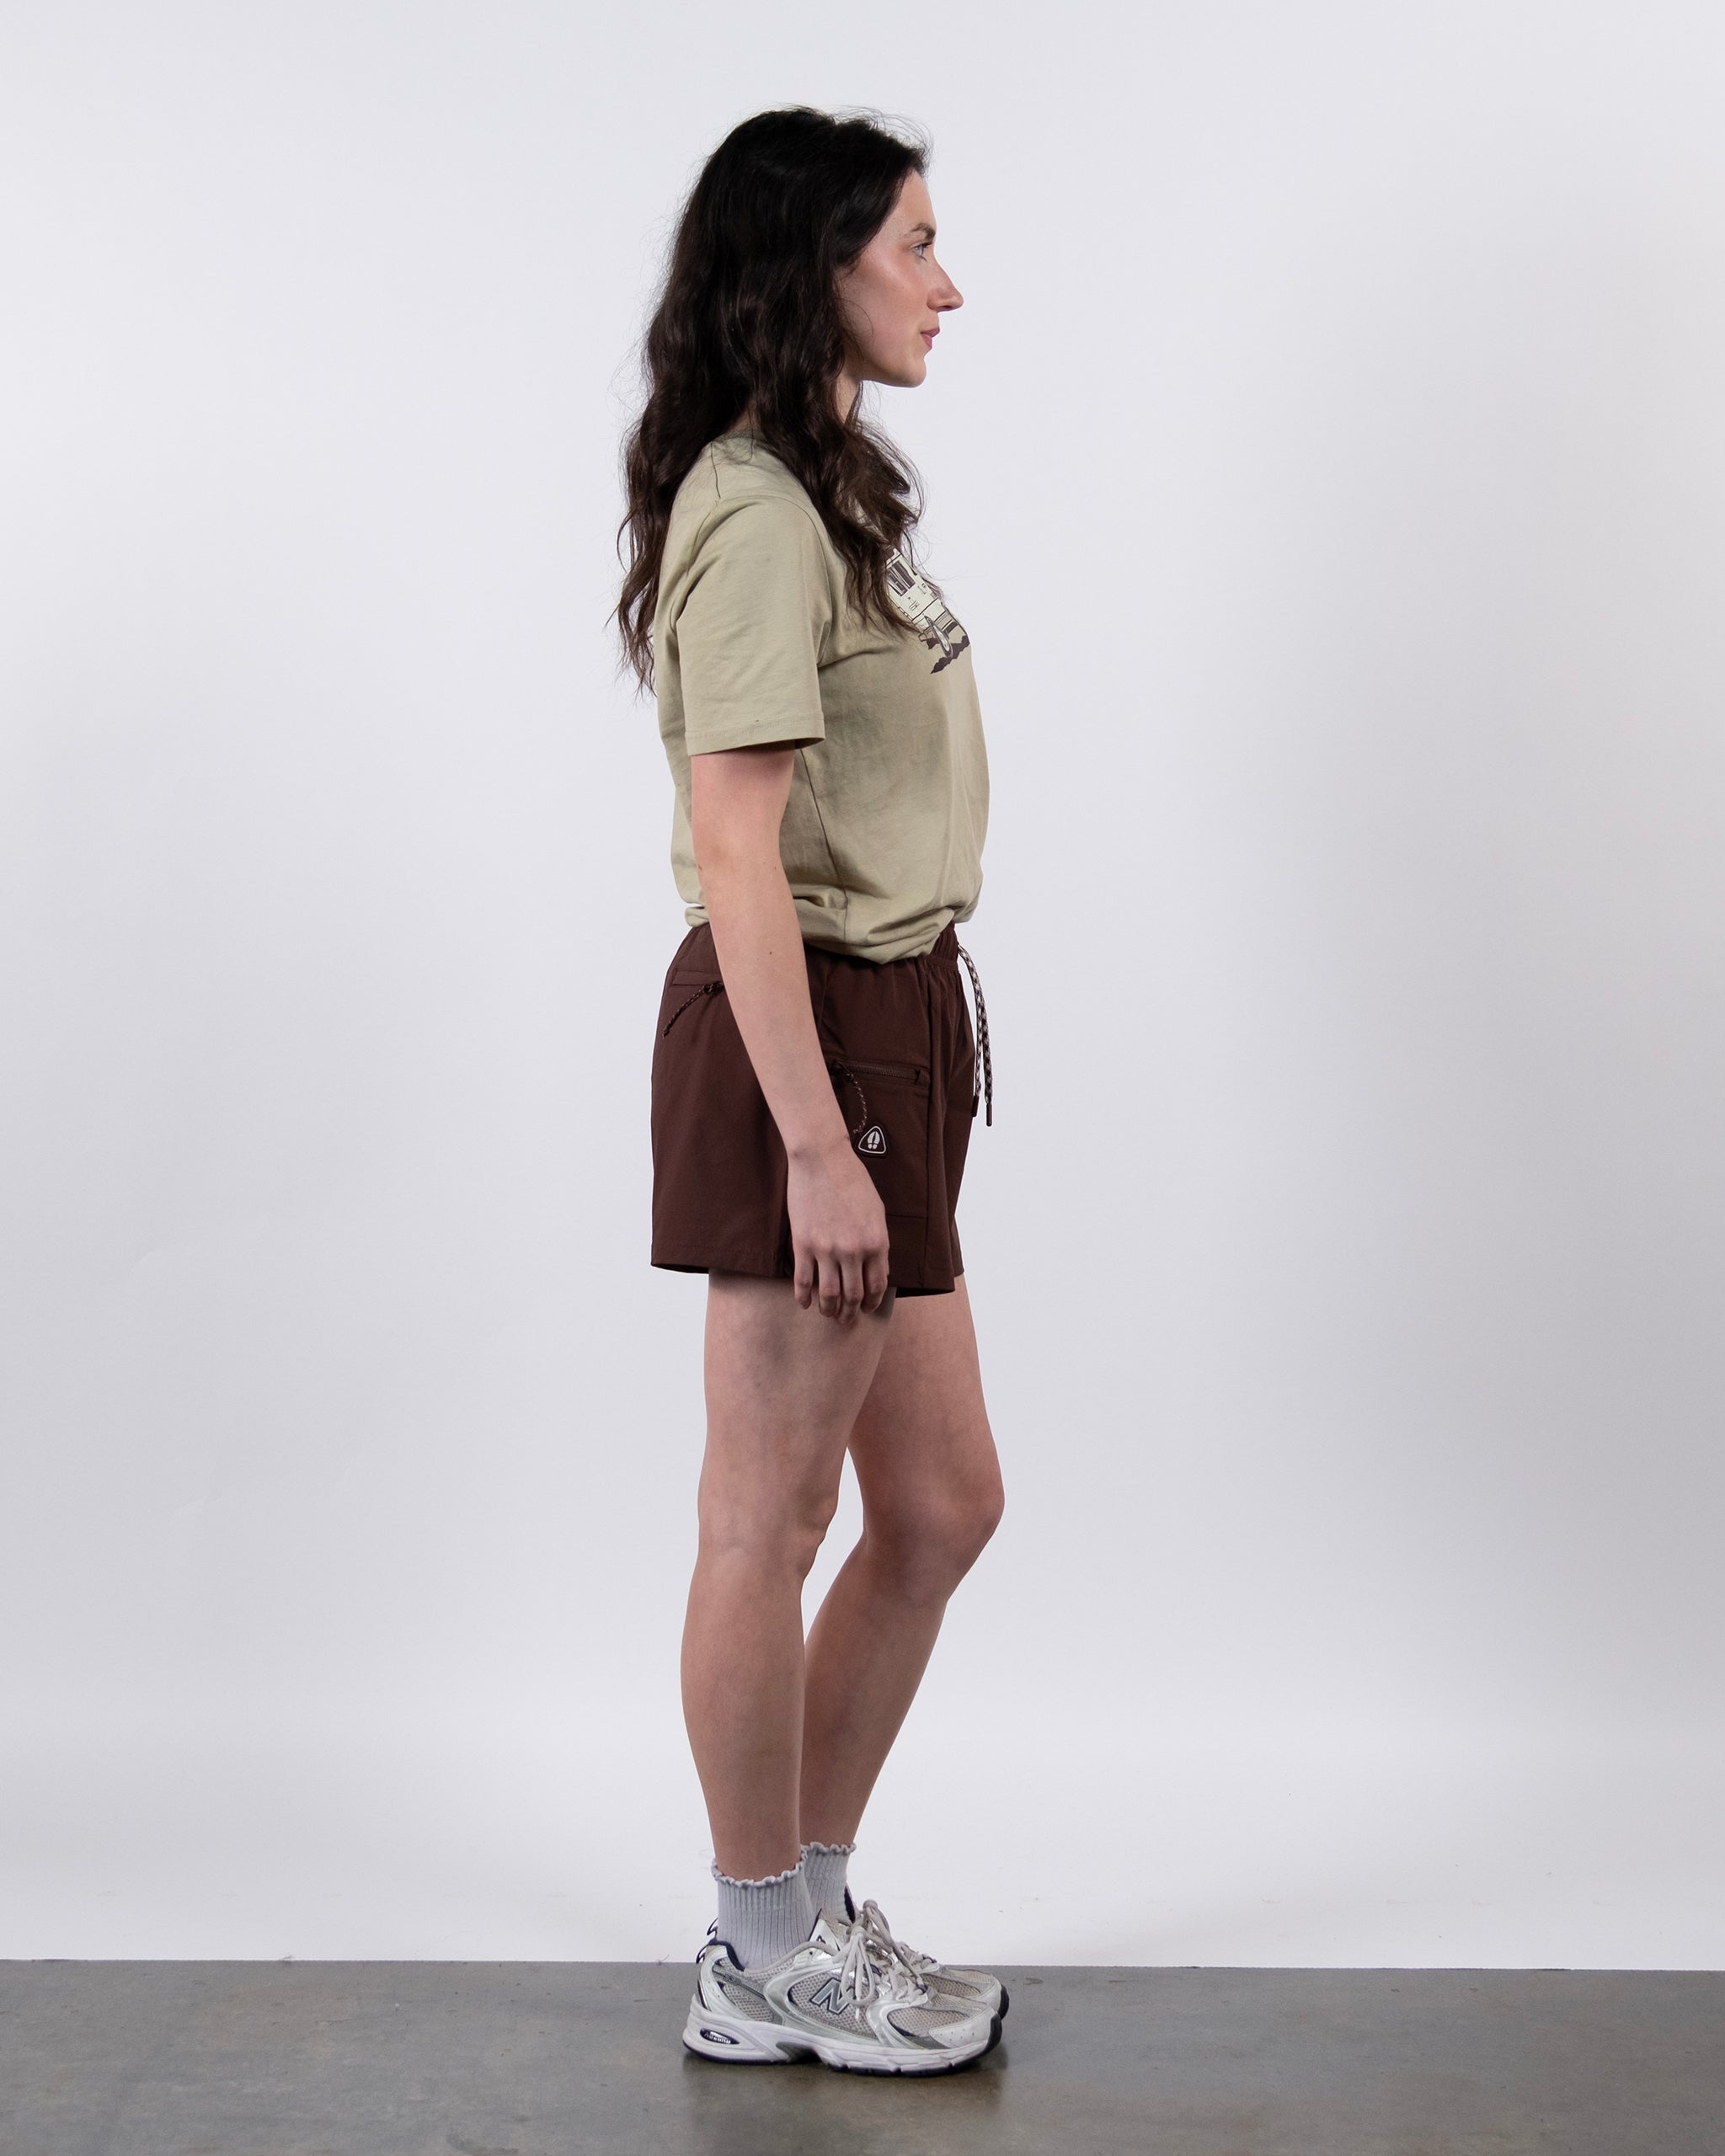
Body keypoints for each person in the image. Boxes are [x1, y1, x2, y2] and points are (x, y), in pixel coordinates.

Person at [617, 106, 1006, 2075]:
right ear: (814, 262)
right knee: (764, 1516)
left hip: (894, 1021)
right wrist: (806, 1144)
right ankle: (757, 1941)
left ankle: (802, 1900)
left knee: (938, 1501)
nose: (949, 283)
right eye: (916, 244)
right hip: (812, 1037)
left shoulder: (828, 484)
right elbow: (740, 846)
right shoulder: (756, 513)